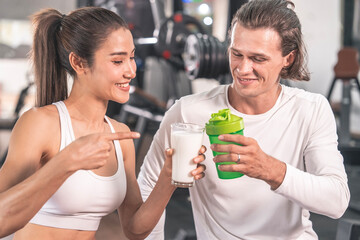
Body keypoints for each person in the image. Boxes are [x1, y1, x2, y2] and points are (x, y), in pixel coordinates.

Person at [137, 0, 350, 239]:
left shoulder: (312, 109)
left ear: (287, 59)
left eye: (258, 59)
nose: (243, 69)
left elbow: (336, 201)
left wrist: (270, 169)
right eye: (236, 54)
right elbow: (147, 189)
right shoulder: (188, 112)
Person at [0, 7, 206, 240]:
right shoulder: (41, 124)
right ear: (78, 63)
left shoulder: (120, 135)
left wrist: (168, 178)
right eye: (118, 60)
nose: (130, 70)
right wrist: (66, 162)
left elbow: (135, 230)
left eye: (131, 57)